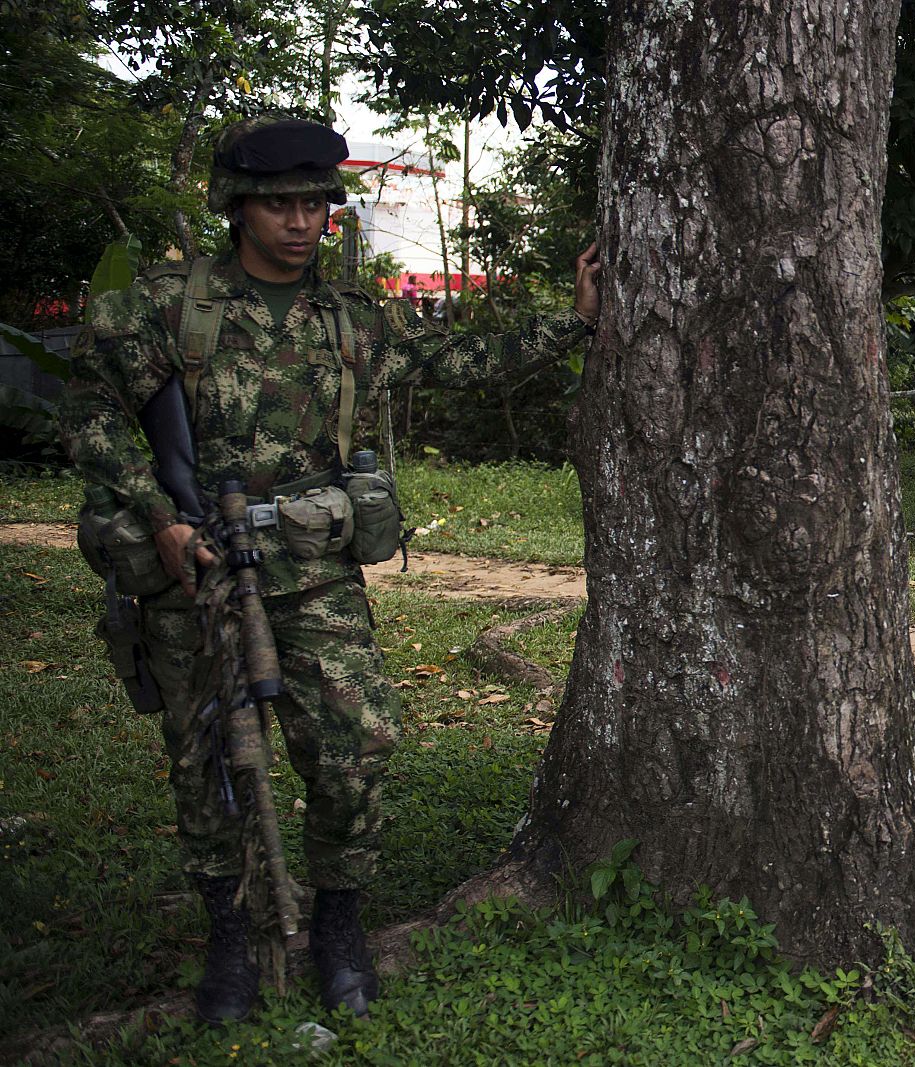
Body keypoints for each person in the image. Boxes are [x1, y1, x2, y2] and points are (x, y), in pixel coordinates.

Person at [59, 114, 600, 1024]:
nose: (301, 221)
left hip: (310, 570)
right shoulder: (162, 305)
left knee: (359, 744)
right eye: (280, 204)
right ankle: (232, 944)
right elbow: (95, 417)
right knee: (211, 770)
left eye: (315, 203)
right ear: (239, 209)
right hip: (194, 566)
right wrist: (158, 521)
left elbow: (450, 358)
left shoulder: (350, 319)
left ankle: (340, 925)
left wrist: (573, 324)